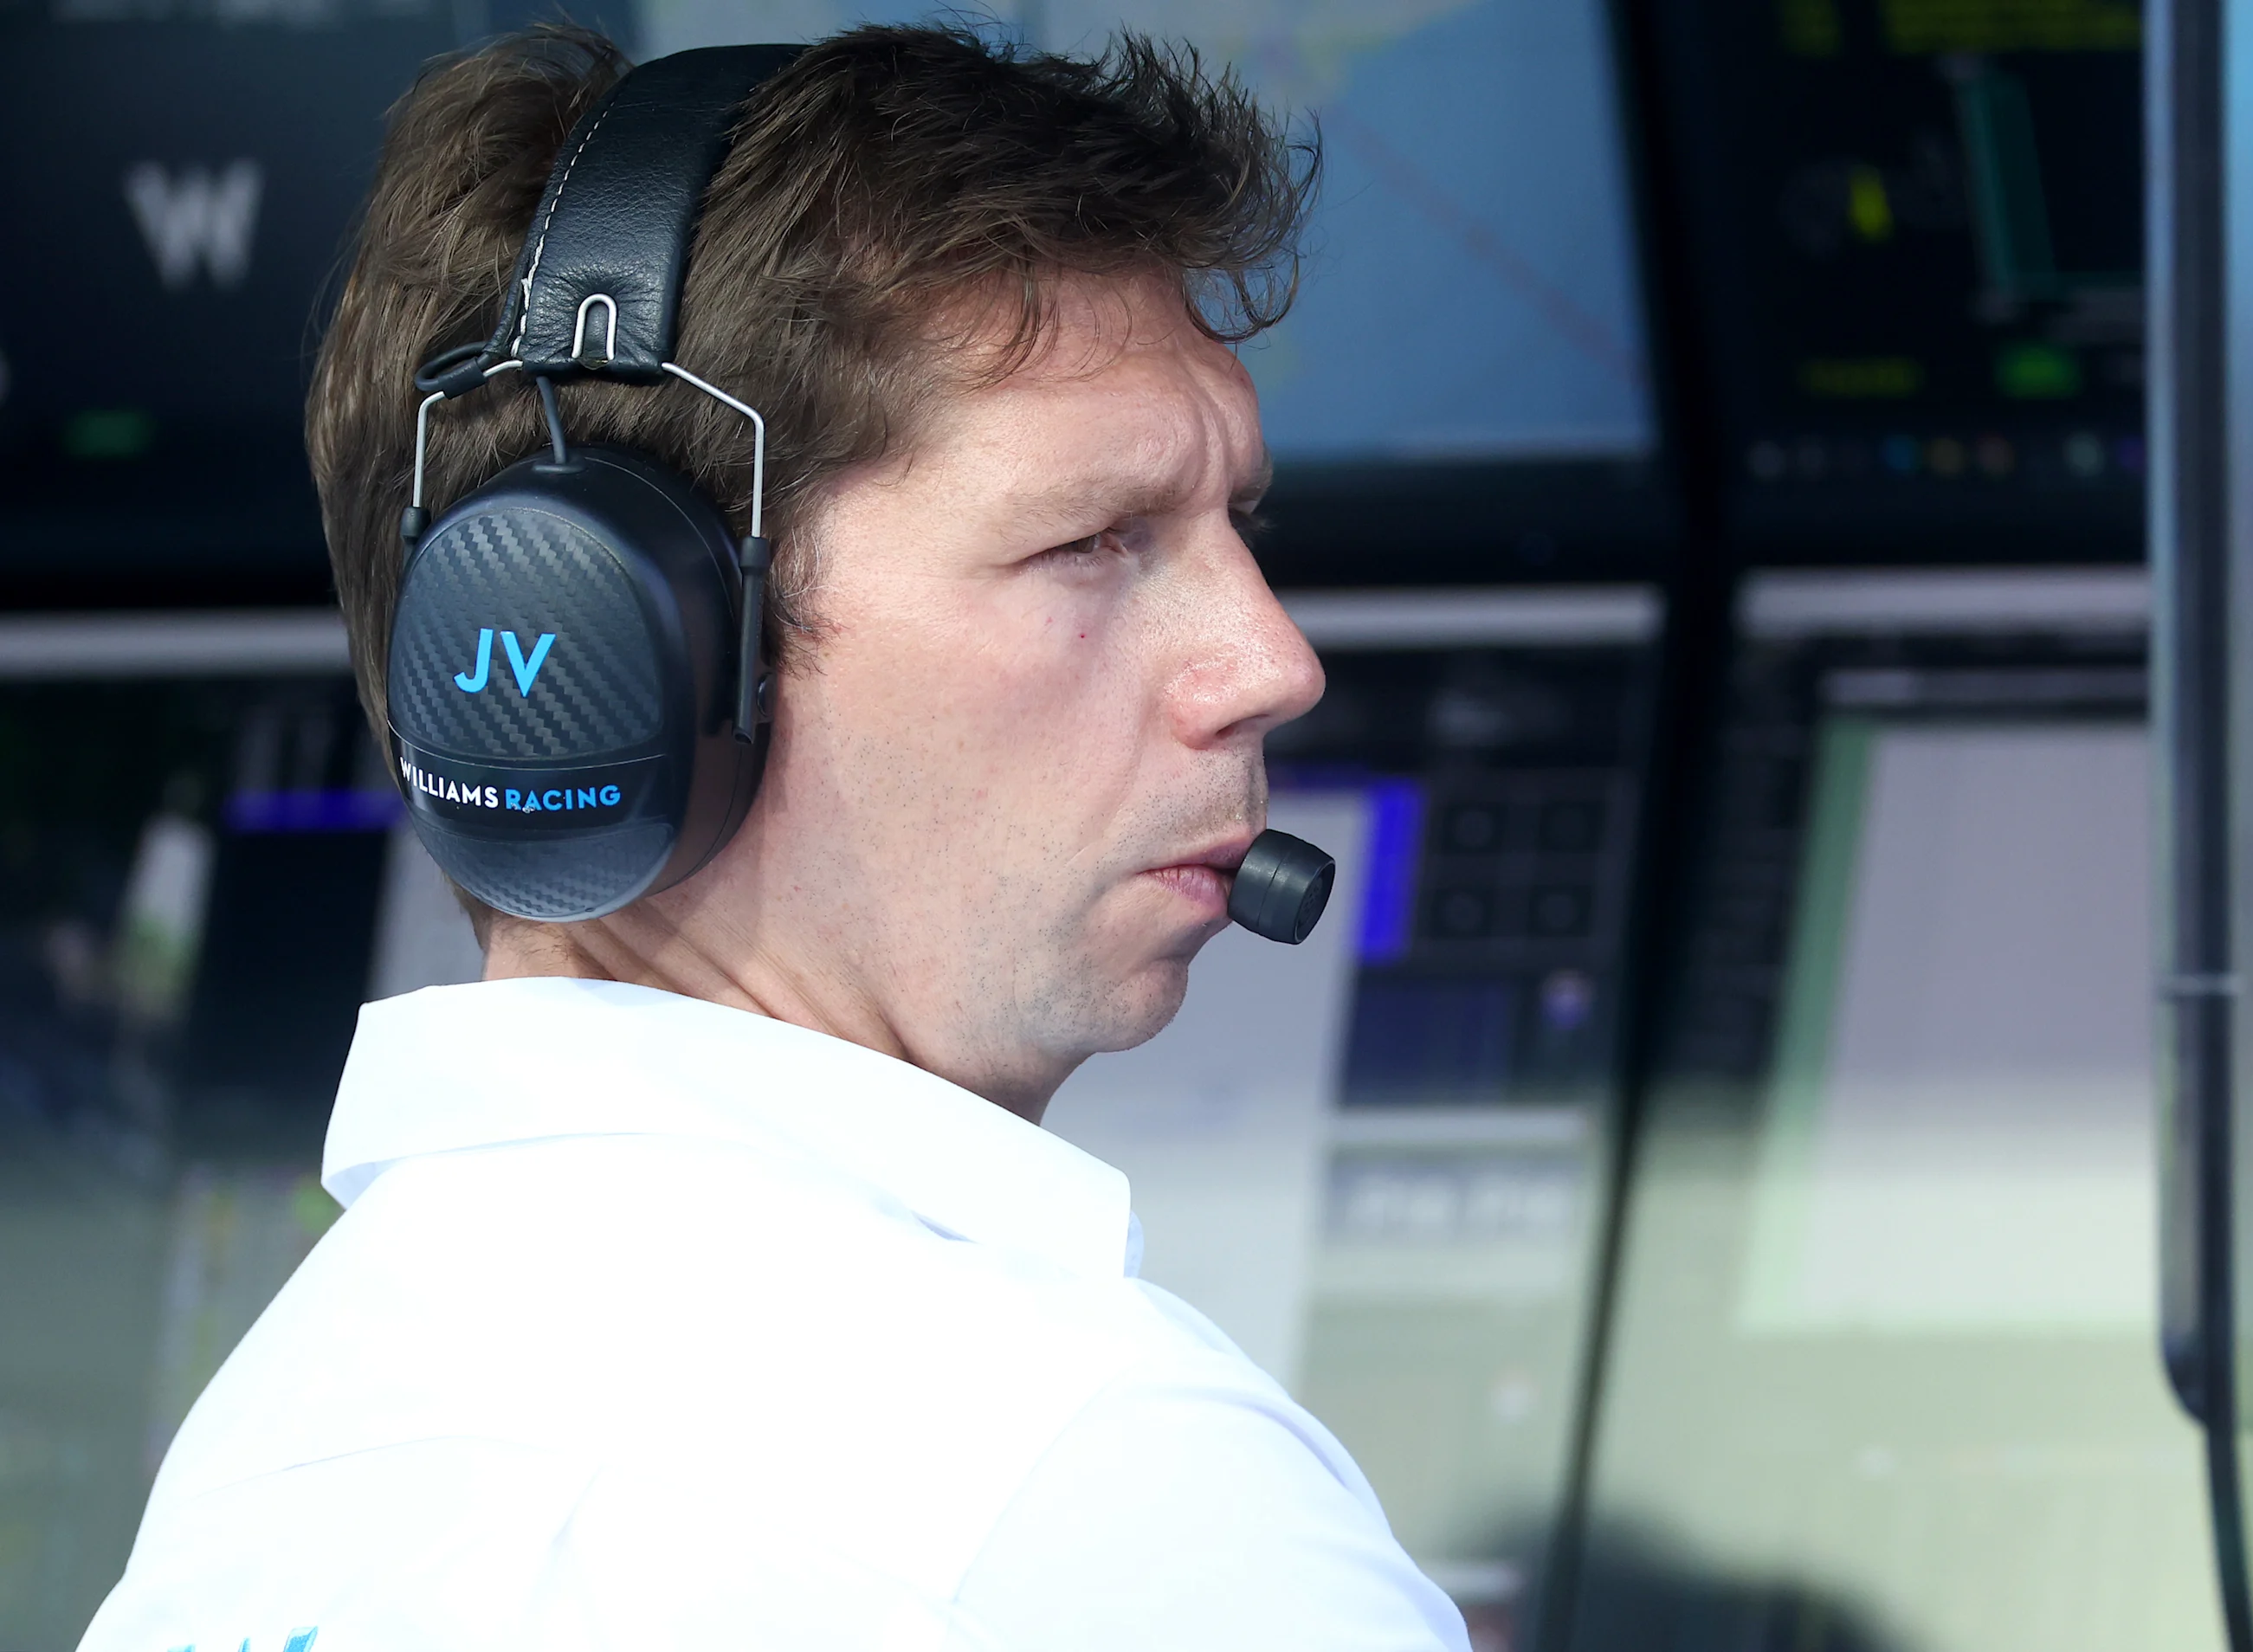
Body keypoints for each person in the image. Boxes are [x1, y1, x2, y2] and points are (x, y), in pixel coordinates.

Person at [81, 24, 1471, 1652]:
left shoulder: (270, 1476)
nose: (1272, 664)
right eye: (1095, 541)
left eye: (1236, 528)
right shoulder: (1108, 1495)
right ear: (633, 657)